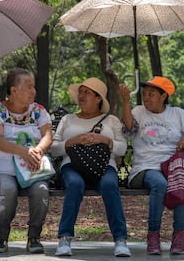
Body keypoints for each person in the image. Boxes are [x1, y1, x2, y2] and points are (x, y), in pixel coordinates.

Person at [120, 76, 184, 255]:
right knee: (160, 184)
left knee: (180, 183)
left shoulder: (178, 114)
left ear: (163, 96)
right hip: (144, 168)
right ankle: (153, 236)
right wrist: (126, 102)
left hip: (172, 168)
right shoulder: (138, 111)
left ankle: (179, 236)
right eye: (144, 94)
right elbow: (129, 129)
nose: (146, 98)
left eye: (151, 94)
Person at [51, 78, 131, 257]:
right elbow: (54, 149)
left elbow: (123, 148)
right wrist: (72, 142)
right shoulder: (67, 119)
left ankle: (120, 240)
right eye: (80, 92)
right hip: (72, 166)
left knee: (110, 185)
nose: (81, 95)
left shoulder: (111, 120)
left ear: (98, 99)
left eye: (87, 92)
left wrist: (104, 140)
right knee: (75, 184)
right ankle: (64, 238)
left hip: (104, 166)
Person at [0, 68, 53, 254]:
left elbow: (47, 135)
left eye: (34, 87)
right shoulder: (0, 111)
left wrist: (38, 150)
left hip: (33, 168)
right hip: (5, 168)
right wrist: (23, 151)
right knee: (7, 190)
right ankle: (1, 236)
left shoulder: (38, 111)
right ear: (14, 90)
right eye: (29, 87)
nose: (33, 91)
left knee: (41, 190)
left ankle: (34, 237)